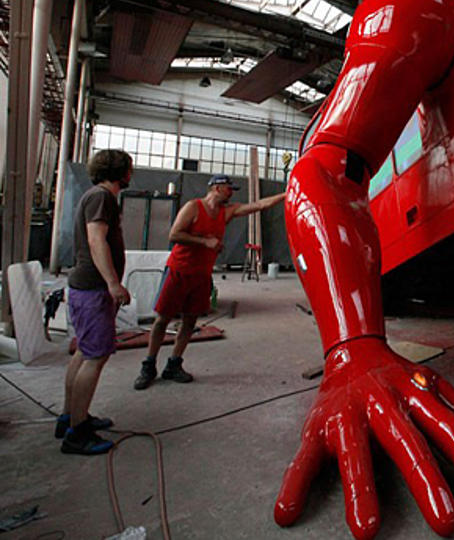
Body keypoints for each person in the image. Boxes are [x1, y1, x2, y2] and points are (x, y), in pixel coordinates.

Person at [133, 175, 285, 389]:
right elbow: (174, 234)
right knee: (162, 319)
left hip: (202, 274)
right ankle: (148, 365)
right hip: (179, 270)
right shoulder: (193, 207)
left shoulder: (226, 212)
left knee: (190, 321)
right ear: (216, 188)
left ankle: (174, 364)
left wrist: (287, 194)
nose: (231, 192)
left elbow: (258, 205)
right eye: (228, 188)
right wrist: (205, 242)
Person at [59, 149, 133, 455]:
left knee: (84, 353)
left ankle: (71, 416)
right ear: (119, 171)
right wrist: (113, 284)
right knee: (95, 357)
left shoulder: (95, 196)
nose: (131, 173)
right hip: (93, 288)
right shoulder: (102, 197)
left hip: (86, 286)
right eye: (129, 168)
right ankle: (77, 434)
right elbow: (95, 240)